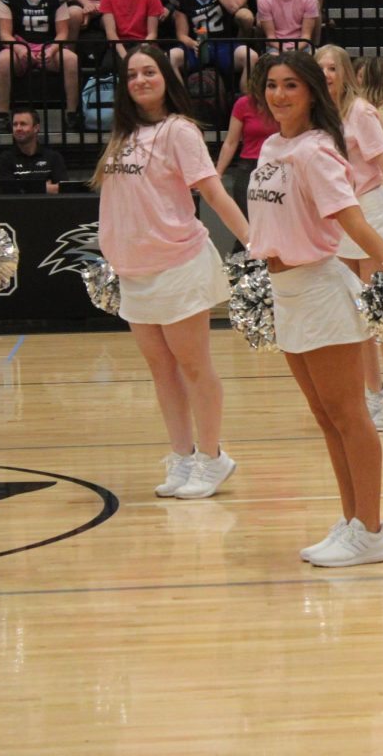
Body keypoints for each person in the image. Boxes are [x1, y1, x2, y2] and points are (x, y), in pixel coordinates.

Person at [247, 50, 383, 566]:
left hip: (321, 292)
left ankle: (372, 531)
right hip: (286, 295)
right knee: (325, 417)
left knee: (349, 415)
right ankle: (353, 519)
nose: (279, 95)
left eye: (291, 85)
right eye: (271, 85)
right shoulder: (271, 146)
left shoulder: (317, 150)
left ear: (312, 91)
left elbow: (353, 221)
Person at [91, 45, 250, 500]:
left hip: (178, 264)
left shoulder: (179, 131)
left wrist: (255, 243)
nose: (140, 80)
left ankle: (212, 456)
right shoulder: (123, 133)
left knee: (194, 366)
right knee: (162, 371)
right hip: (135, 271)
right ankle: (182, 456)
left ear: (166, 77)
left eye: (149, 72)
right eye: (132, 74)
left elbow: (214, 193)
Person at [314, 44, 383, 431]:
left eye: (332, 67)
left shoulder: (360, 112)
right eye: (319, 67)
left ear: (345, 73)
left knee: (381, 312)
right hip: (342, 218)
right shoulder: (319, 116)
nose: (326, 73)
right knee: (354, 316)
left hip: (373, 213)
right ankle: (373, 394)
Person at [0, 0, 82, 131]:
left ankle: (72, 113)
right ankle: (2, 114)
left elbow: (63, 32)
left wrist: (53, 50)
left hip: (49, 46)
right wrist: (18, 48)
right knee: (3, 60)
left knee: (71, 59)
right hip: (20, 45)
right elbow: (4, 33)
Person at [168, 0, 257, 86]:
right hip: (197, 48)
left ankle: (243, 100)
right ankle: (181, 100)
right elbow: (181, 34)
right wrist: (193, 44)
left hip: (223, 45)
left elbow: (234, 7)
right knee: (169, 58)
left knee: (252, 57)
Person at [215, 55, 278, 227]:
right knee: (248, 226)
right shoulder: (243, 104)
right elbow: (231, 142)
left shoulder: (284, 103)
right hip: (249, 168)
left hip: (278, 167)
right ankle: (245, 254)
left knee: (274, 227)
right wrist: (218, 172)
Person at [0, 107, 68, 192]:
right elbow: (6, 191)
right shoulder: (4, 160)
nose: (18, 128)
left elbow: (64, 190)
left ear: (36, 128)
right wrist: (45, 188)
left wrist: (21, 186)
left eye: (23, 124)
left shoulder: (54, 158)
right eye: (15, 124)